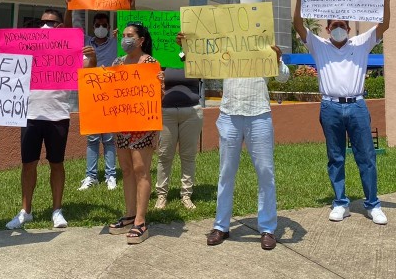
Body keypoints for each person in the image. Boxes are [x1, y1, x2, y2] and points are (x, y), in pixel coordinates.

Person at [293, 0, 392, 225]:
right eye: (334, 25)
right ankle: (340, 203)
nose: (338, 28)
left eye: (343, 25)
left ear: (349, 29)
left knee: (366, 156)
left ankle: (373, 204)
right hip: (330, 107)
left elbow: (384, 25)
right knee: (335, 156)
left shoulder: (361, 43)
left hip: (357, 105)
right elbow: (297, 25)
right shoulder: (319, 46)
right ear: (327, 29)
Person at [185, 29, 283, 251]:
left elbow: (284, 75)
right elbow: (200, 62)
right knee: (226, 172)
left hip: (259, 114)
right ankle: (221, 225)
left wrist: (276, 59)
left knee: (265, 171)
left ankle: (267, 228)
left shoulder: (266, 51)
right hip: (230, 114)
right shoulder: (225, 51)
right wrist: (187, 46)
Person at [6, 8, 97, 230]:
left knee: (57, 163)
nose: (46, 25)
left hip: (58, 115)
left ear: (60, 26)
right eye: (43, 21)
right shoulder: (28, 47)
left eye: (51, 22)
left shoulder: (69, 50)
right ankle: (26, 211)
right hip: (30, 114)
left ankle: (57, 210)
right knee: (29, 164)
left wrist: (92, 57)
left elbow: (86, 71)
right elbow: (7, 64)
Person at [65, 0, 135, 192]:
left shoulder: (115, 41)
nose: (101, 27)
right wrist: (69, 6)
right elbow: (69, 30)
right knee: (93, 138)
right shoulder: (85, 41)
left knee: (110, 138)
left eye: (104, 24)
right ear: (93, 26)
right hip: (90, 93)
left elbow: (130, 25)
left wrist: (131, 4)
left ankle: (111, 175)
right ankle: (91, 176)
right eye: (98, 24)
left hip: (111, 93)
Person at [108, 22, 165, 244]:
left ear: (141, 40)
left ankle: (141, 221)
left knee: (141, 169)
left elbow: (158, 99)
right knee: (127, 169)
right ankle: (130, 213)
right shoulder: (117, 63)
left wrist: (160, 87)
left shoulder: (151, 64)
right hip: (122, 125)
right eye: (123, 35)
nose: (125, 39)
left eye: (130, 35)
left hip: (143, 127)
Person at [154, 66, 202, 210]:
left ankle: (186, 195)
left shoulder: (195, 57)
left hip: (192, 111)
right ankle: (161, 195)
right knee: (164, 155)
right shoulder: (161, 54)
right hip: (166, 111)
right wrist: (158, 79)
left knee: (188, 155)